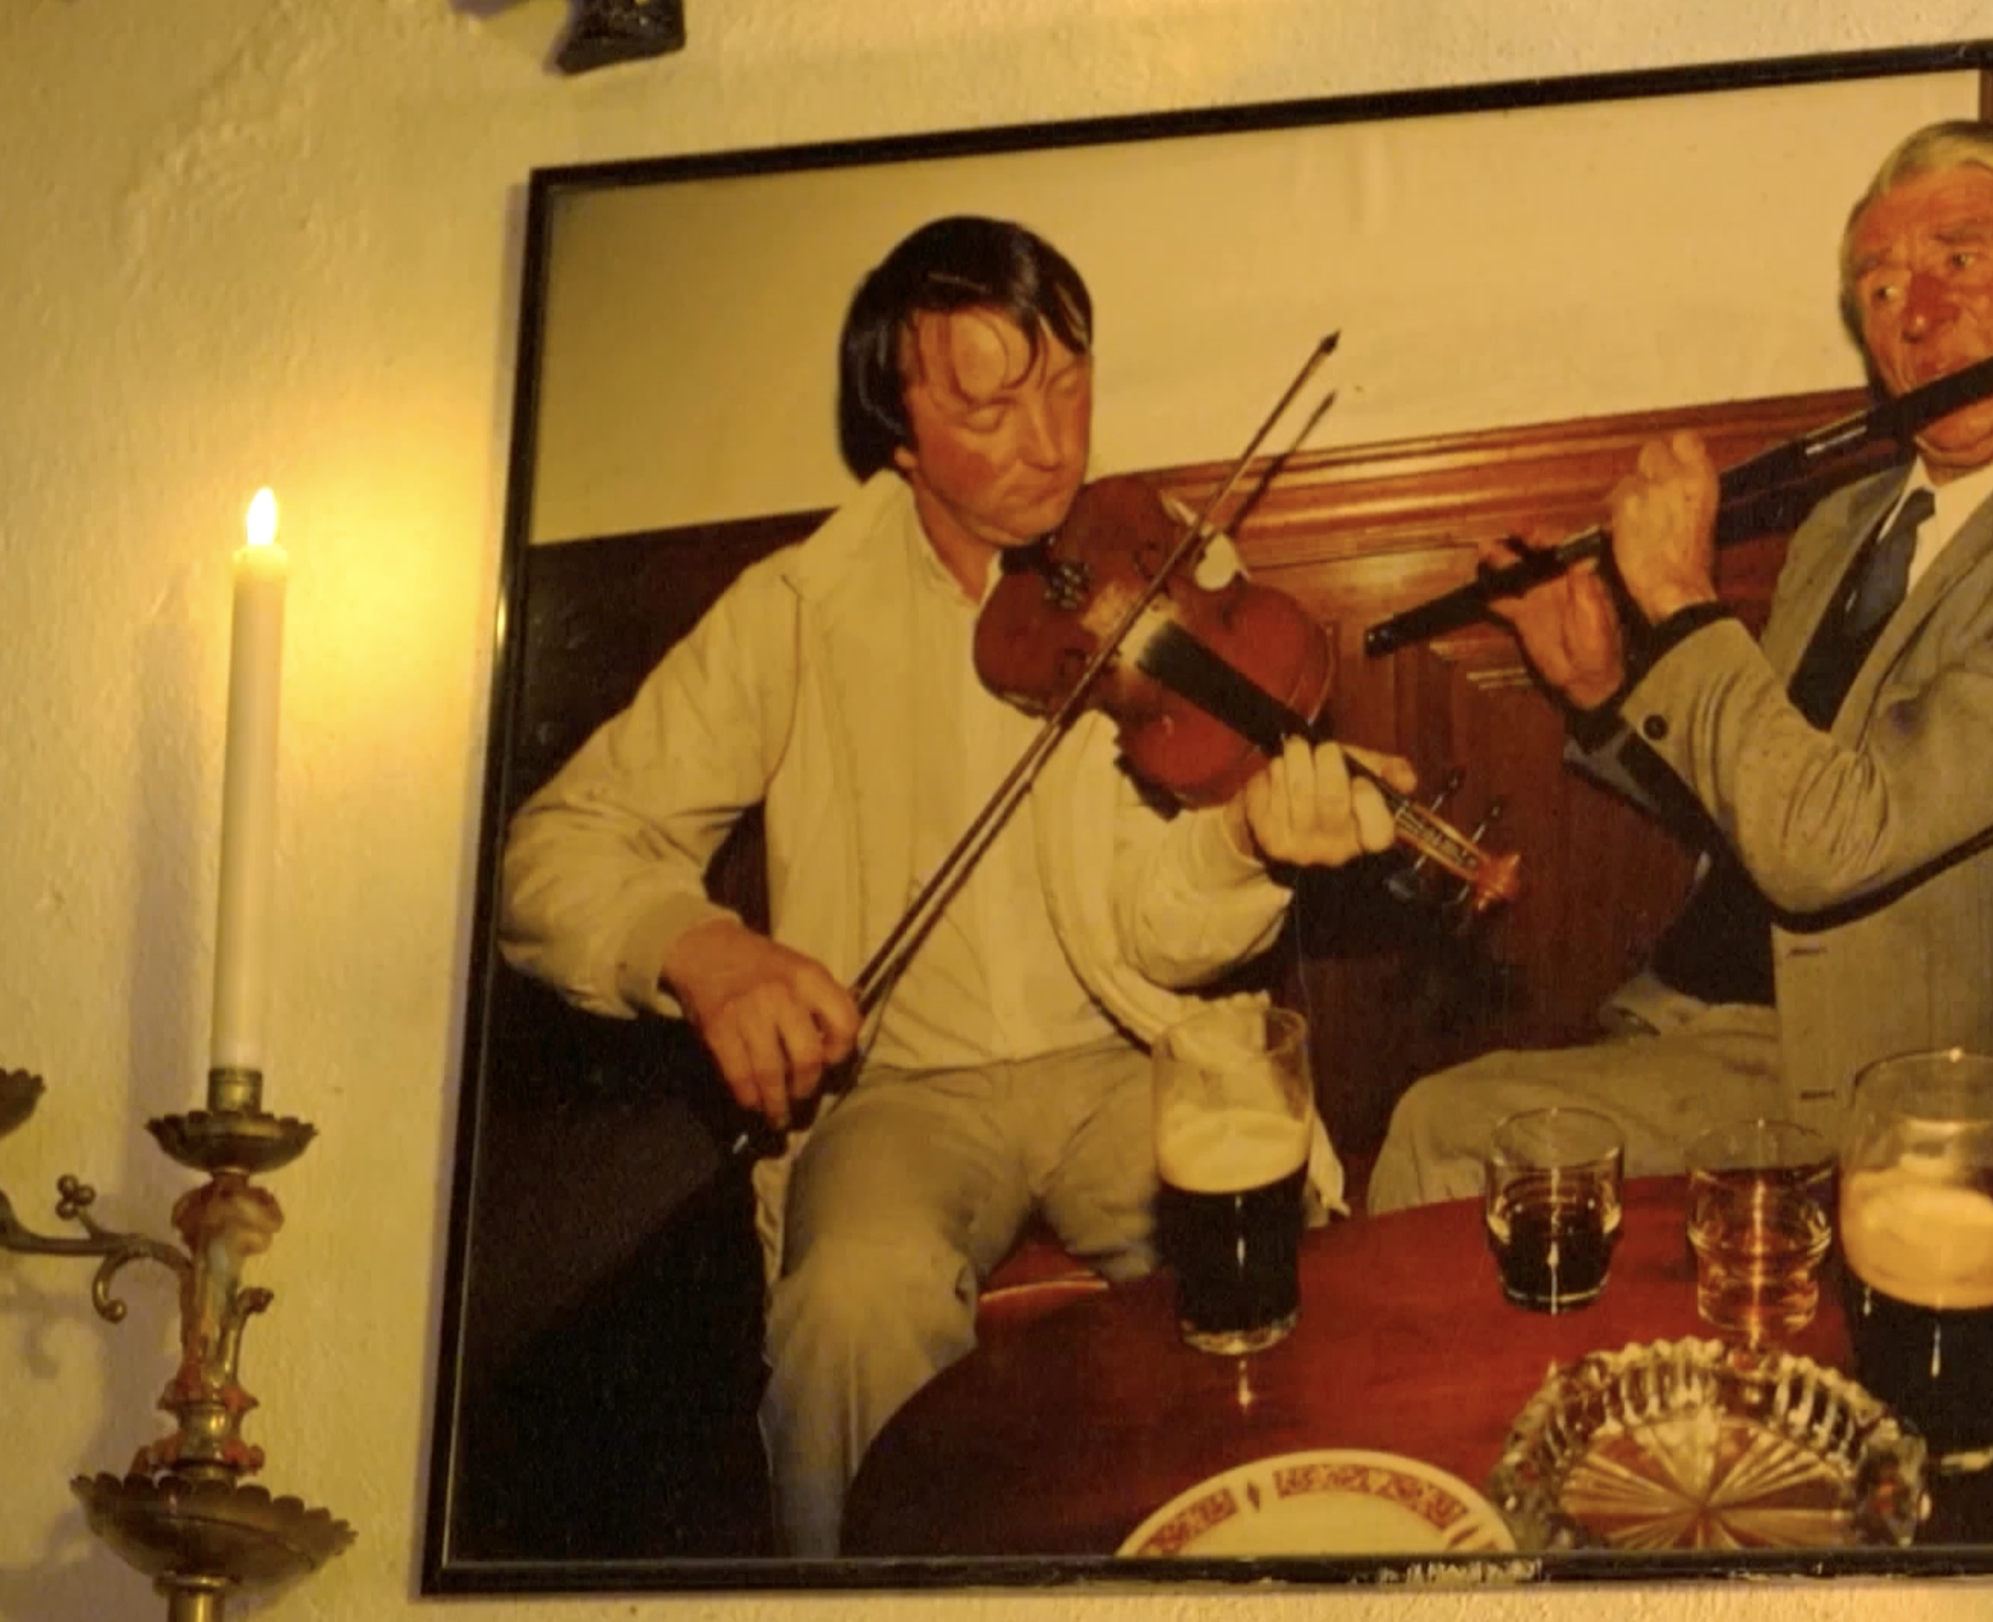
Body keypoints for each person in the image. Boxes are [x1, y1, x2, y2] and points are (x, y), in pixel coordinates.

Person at [499, 215, 1409, 1555]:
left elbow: (1161, 930)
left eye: (1065, 380)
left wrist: (1248, 844)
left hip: (1127, 1056)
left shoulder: (1169, 573)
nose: (1049, 440)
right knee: (849, 1306)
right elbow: (553, 849)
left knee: (1270, 1261)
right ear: (902, 436)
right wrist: (700, 945)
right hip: (901, 1092)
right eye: (989, 404)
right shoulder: (796, 609)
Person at [1367, 119, 1993, 1211]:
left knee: (1438, 1133)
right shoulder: (1844, 522)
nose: (1916, 318)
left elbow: (1830, 841)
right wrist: (1603, 691)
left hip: (1901, 1087)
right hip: (1699, 1007)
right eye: (1878, 289)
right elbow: (1759, 793)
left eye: (1958, 260)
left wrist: (1684, 605)